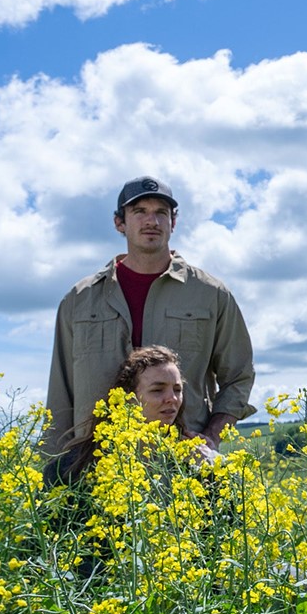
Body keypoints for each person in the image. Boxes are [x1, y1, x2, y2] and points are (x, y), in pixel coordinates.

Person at [45, 176, 255, 456]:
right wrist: (55, 469)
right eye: (139, 212)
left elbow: (239, 376)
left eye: (161, 213)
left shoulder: (211, 294)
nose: (151, 221)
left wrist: (211, 437)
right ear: (119, 222)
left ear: (173, 222)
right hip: (94, 463)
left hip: (180, 463)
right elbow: (61, 390)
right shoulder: (80, 299)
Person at [47, 345, 218, 486]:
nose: (172, 398)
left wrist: (210, 468)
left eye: (177, 390)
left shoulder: (195, 456)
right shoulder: (72, 468)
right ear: (129, 398)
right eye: (157, 390)